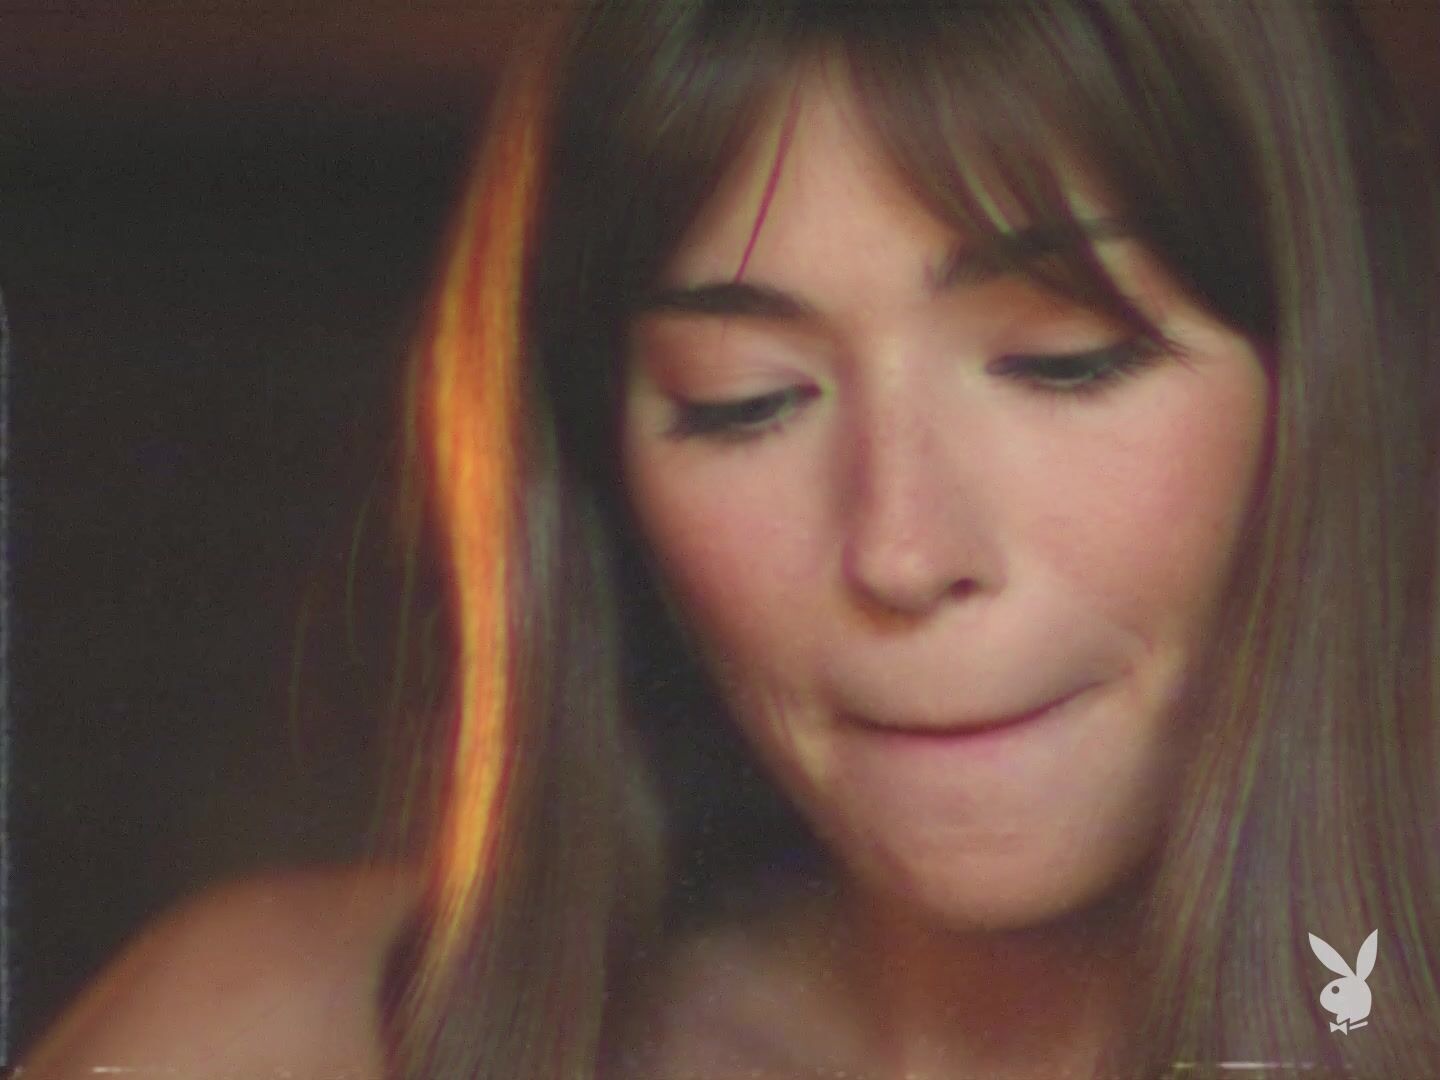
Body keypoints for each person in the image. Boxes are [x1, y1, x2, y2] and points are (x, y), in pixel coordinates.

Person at [22, 1, 1440, 1077]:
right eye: (744, 400)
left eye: (1061, 363)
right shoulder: (270, 1038)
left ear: (1337, 389)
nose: (901, 551)